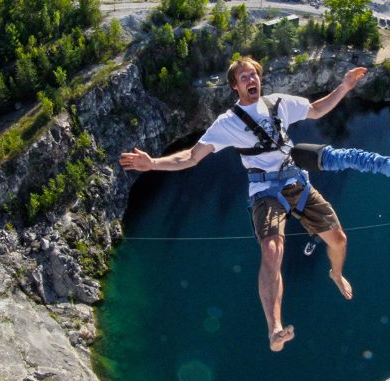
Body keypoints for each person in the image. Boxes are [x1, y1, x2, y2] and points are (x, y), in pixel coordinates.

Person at [120, 56, 367, 352]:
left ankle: (335, 274)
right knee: (272, 250)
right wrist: (153, 164)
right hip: (265, 190)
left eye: (254, 75)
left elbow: (315, 110)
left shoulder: (278, 103)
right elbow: (191, 157)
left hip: (295, 181)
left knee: (339, 240)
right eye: (244, 77)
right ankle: (274, 329)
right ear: (235, 87)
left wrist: (345, 86)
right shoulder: (228, 123)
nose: (252, 80)